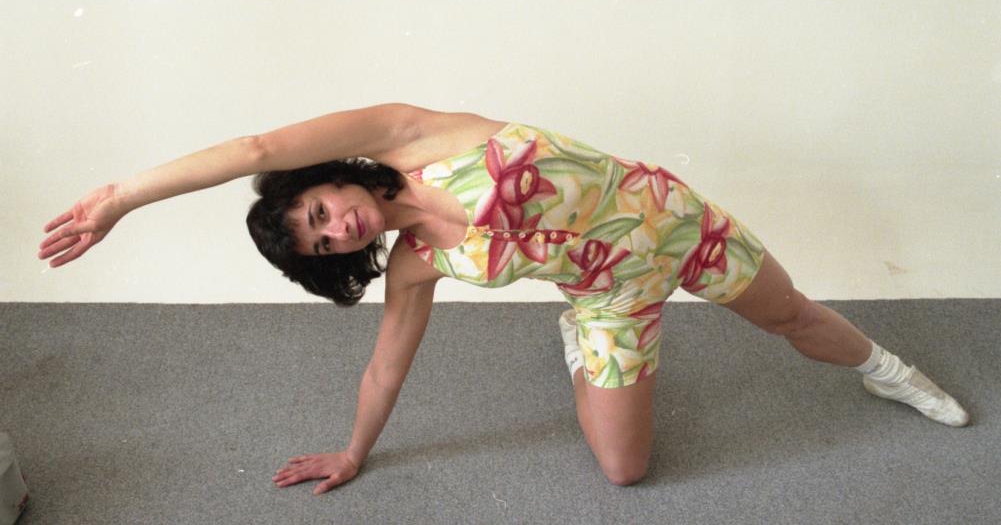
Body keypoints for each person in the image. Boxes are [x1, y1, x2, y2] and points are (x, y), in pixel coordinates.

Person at [38, 102, 970, 494]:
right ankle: (582, 345)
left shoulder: (414, 134)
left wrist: (122, 196)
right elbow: (387, 365)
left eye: (319, 210)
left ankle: (890, 372)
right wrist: (354, 451)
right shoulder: (413, 263)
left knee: (792, 316)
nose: (337, 228)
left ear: (328, 178)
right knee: (624, 471)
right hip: (608, 293)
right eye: (322, 244)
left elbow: (252, 150)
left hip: (676, 224)